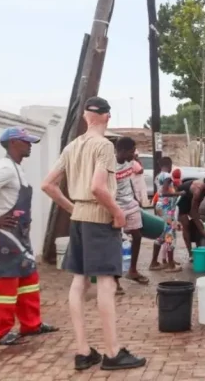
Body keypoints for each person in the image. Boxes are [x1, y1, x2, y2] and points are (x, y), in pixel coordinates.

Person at [41, 97, 146, 370]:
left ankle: (83, 351)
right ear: (107, 116)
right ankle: (112, 353)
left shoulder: (72, 146)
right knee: (106, 284)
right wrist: (117, 212)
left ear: (85, 117)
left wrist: (73, 208)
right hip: (99, 220)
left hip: (79, 219)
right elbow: (98, 187)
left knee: (79, 282)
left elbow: (48, 185)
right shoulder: (104, 146)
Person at [0, 127, 59, 345]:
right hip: (5, 237)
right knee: (5, 283)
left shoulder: (17, 168)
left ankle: (31, 324)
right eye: (26, 141)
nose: (30, 145)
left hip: (20, 235)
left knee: (28, 280)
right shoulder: (4, 169)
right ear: (13, 143)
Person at [114, 138, 148, 285]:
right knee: (115, 241)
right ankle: (114, 278)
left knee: (137, 236)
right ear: (122, 151)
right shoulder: (110, 165)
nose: (133, 154)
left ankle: (132, 270)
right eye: (131, 151)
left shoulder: (130, 162)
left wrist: (135, 198)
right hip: (116, 206)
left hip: (130, 204)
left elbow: (129, 180)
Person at [165, 176, 205, 260]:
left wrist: (200, 226)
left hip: (189, 199)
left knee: (198, 223)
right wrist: (202, 230)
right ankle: (190, 254)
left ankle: (199, 249)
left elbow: (196, 211)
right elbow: (193, 212)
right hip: (181, 200)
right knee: (186, 224)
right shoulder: (198, 190)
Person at [152, 172, 181, 273]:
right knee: (170, 236)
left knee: (161, 235)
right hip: (167, 210)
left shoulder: (159, 176)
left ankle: (154, 262)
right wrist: (179, 194)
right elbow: (164, 192)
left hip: (162, 208)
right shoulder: (167, 176)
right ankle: (171, 265)